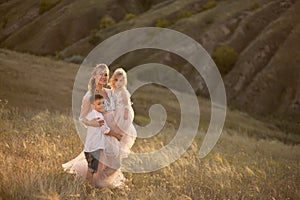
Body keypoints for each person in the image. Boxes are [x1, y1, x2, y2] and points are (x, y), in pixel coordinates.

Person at [62, 64, 127, 188]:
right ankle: (88, 189)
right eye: (100, 74)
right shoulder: (89, 96)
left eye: (106, 74)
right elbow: (82, 118)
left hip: (110, 136)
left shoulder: (110, 93)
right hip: (97, 136)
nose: (103, 77)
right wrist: (94, 123)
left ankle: (99, 184)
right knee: (94, 168)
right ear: (95, 76)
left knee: (115, 164)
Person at [108, 68, 136, 158]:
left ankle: (118, 149)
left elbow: (127, 104)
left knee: (120, 130)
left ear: (124, 81)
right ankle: (111, 148)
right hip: (114, 111)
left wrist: (126, 113)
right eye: (116, 80)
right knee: (111, 129)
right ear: (113, 80)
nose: (118, 83)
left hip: (122, 113)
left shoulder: (123, 91)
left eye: (121, 80)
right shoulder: (113, 90)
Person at [84, 94, 111, 186]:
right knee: (92, 169)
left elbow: (84, 121)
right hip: (95, 147)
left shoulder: (91, 114)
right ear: (93, 106)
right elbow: (105, 130)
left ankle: (88, 185)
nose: (102, 105)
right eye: (99, 104)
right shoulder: (99, 117)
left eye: (103, 103)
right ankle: (88, 186)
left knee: (91, 168)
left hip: (89, 147)